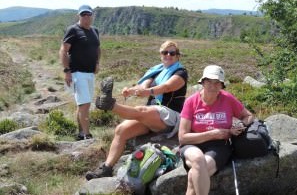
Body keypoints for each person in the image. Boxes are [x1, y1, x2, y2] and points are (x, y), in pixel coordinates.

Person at [85, 40, 188, 180]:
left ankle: (110, 105)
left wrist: (148, 92)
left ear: (177, 56)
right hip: (153, 115)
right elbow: (142, 87)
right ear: (160, 54)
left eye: (172, 53)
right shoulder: (156, 71)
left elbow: (167, 87)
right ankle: (107, 168)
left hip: (171, 116)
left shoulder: (181, 72)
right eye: (165, 52)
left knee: (142, 110)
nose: (168, 55)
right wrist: (131, 90)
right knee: (121, 129)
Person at [178, 65, 254, 195]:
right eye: (209, 81)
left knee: (193, 175)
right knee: (197, 159)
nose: (213, 86)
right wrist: (212, 134)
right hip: (193, 144)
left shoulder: (228, 99)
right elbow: (183, 137)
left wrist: (240, 125)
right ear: (202, 82)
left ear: (222, 85)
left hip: (219, 147)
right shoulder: (191, 102)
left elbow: (249, 116)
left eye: (217, 82)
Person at [59, 5, 100, 141]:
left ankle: (80, 132)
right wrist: (67, 71)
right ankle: (87, 135)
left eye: (89, 14)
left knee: (82, 104)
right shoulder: (73, 30)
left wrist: (97, 63)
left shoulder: (95, 31)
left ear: (92, 15)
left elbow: (98, 49)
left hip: (90, 73)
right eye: (83, 15)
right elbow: (63, 51)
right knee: (85, 104)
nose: (86, 17)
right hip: (77, 73)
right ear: (79, 16)